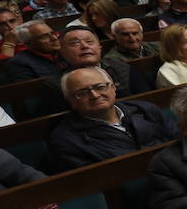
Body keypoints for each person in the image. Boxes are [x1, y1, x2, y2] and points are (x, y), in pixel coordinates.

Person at [48, 67, 177, 171]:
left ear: (113, 88)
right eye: (82, 93)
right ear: (70, 101)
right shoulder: (66, 140)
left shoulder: (145, 109)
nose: (95, 95)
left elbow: (178, 138)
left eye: (100, 87)